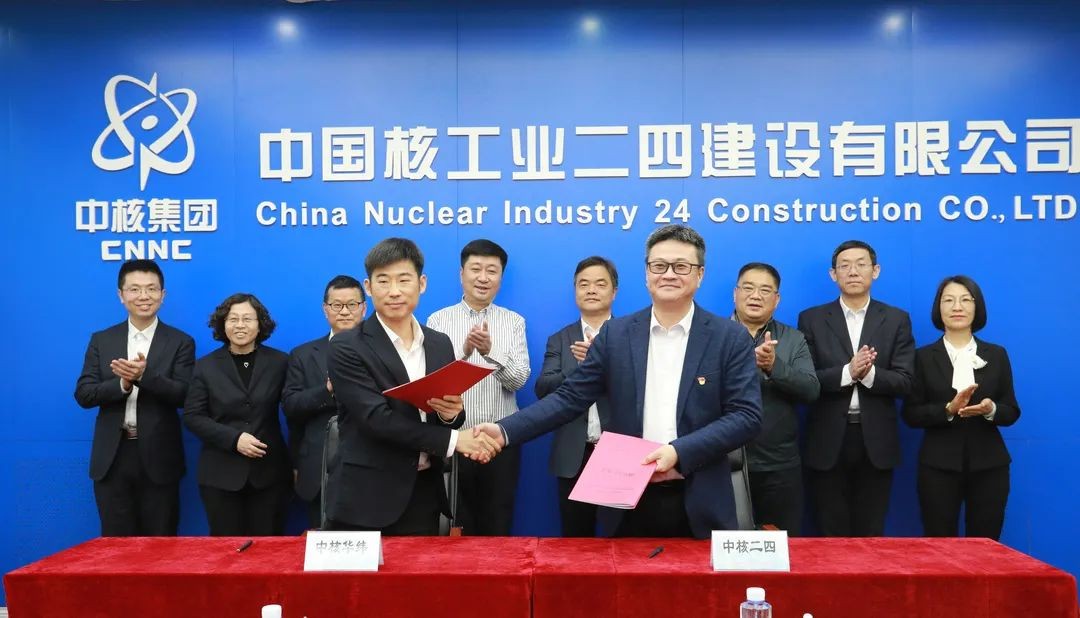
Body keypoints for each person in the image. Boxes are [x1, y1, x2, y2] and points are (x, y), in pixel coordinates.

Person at [477, 224, 762, 539]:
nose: (668, 274)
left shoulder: (729, 337)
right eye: (659, 265)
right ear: (647, 273)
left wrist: (679, 452)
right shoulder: (616, 334)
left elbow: (746, 416)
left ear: (700, 274)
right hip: (628, 501)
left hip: (700, 498)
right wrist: (505, 431)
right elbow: (569, 398)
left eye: (681, 266)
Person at [324, 238, 500, 535]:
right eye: (383, 281)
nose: (394, 291)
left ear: (422, 283)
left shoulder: (439, 343)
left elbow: (447, 412)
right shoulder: (346, 346)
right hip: (366, 497)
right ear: (369, 287)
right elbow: (376, 419)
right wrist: (455, 440)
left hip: (423, 493)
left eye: (404, 279)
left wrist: (450, 415)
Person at [798, 240, 915, 537]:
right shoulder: (811, 319)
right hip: (827, 438)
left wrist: (869, 373)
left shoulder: (896, 319)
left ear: (875, 271)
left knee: (871, 531)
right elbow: (805, 380)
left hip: (876, 439)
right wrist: (848, 372)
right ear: (833, 274)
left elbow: (905, 381)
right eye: (845, 265)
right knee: (829, 529)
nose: (853, 271)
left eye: (861, 264)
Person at [74, 259, 195, 536]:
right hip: (112, 457)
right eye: (135, 289)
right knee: (115, 544)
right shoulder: (102, 340)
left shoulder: (181, 342)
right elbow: (84, 394)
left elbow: (185, 395)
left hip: (159, 456)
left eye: (151, 289)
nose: (144, 296)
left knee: (160, 542)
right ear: (121, 295)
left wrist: (145, 377)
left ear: (163, 295)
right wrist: (123, 384)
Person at [902, 275, 1020, 540]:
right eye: (949, 300)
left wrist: (990, 409)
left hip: (990, 465)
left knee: (986, 544)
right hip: (938, 465)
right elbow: (910, 413)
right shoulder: (922, 357)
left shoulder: (996, 354)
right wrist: (948, 409)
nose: (957, 307)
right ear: (939, 308)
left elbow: (1011, 410)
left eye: (966, 300)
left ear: (977, 308)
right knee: (940, 544)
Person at [427, 239, 530, 536]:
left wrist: (489, 352)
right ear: (462, 274)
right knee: (455, 530)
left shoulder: (513, 322)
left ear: (501, 277)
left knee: (498, 526)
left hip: (500, 443)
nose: (483, 277)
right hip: (455, 442)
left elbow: (519, 381)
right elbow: (432, 384)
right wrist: (463, 353)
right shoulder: (438, 320)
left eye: (492, 271)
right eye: (476, 269)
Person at [183, 293, 291, 536]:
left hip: (270, 475)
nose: (240, 325)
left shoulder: (280, 362)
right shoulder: (205, 366)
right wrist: (234, 439)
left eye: (247, 319)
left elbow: (295, 408)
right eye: (233, 319)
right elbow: (192, 416)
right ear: (223, 324)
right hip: (220, 475)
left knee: (269, 548)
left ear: (260, 324)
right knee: (226, 550)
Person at [731, 262, 819, 534]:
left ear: (776, 299)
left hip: (778, 465)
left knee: (779, 543)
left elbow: (811, 389)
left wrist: (774, 366)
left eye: (765, 290)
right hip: (721, 463)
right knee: (722, 546)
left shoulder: (793, 339)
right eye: (748, 288)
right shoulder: (712, 334)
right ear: (735, 293)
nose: (755, 296)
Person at [535, 256, 618, 537]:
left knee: (622, 541)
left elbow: (643, 389)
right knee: (576, 541)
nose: (591, 290)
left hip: (618, 452)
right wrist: (581, 369)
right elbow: (543, 389)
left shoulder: (629, 335)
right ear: (575, 291)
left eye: (600, 284)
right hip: (573, 453)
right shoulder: (560, 339)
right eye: (583, 284)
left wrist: (603, 364)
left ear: (614, 292)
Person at [283, 275, 366, 528]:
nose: (344, 311)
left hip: (371, 466)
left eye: (352, 304)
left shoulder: (384, 350)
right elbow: (291, 406)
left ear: (364, 308)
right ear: (325, 309)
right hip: (320, 468)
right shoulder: (303, 354)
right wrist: (327, 391)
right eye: (336, 305)